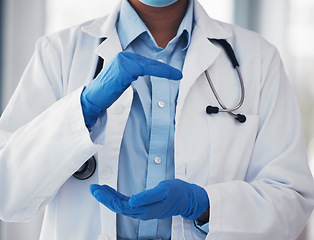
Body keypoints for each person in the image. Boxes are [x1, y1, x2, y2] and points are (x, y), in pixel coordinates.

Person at [0, 0, 313, 239]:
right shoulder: (58, 54)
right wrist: (82, 109)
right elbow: (7, 191)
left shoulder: (258, 58)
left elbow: (292, 198)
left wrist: (204, 205)